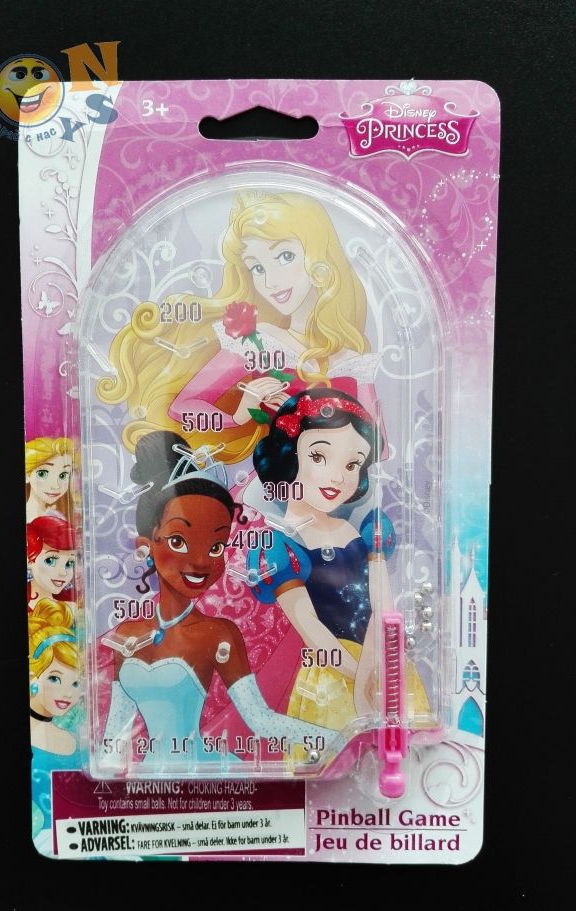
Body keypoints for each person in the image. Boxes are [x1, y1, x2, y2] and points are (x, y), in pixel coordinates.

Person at [100, 430, 340, 769]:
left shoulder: (218, 635)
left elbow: (261, 720)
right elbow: (115, 735)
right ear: (146, 546)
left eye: (215, 547)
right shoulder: (126, 635)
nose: (201, 562)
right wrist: (108, 779)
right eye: (179, 542)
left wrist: (340, 741)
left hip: (207, 770)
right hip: (150, 776)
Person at [97, 191, 381, 462]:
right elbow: (183, 406)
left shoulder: (354, 360)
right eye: (257, 268)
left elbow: (377, 448)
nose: (270, 281)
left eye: (285, 256)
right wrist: (240, 414)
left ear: (319, 255)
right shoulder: (257, 343)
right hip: (272, 483)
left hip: (339, 488)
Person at [246, 388, 428, 730]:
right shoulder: (279, 547)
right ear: (288, 455)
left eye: (352, 464)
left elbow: (383, 603)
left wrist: (375, 670)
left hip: (381, 662)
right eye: (319, 457)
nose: (338, 477)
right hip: (332, 674)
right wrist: (359, 677)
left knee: (402, 743)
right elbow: (310, 626)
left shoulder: (365, 529)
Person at [29, 598, 82, 831]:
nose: (67, 693)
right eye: (54, 678)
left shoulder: (76, 739)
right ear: (33, 675)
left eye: (76, 683)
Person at [26, 515, 77, 611]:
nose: (63, 572)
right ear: (30, 559)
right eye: (50, 561)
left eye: (69, 563)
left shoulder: (71, 605)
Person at [25, 436, 76, 522]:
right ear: (27, 476)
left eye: (63, 475)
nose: (56, 486)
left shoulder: (57, 516)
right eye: (42, 474)